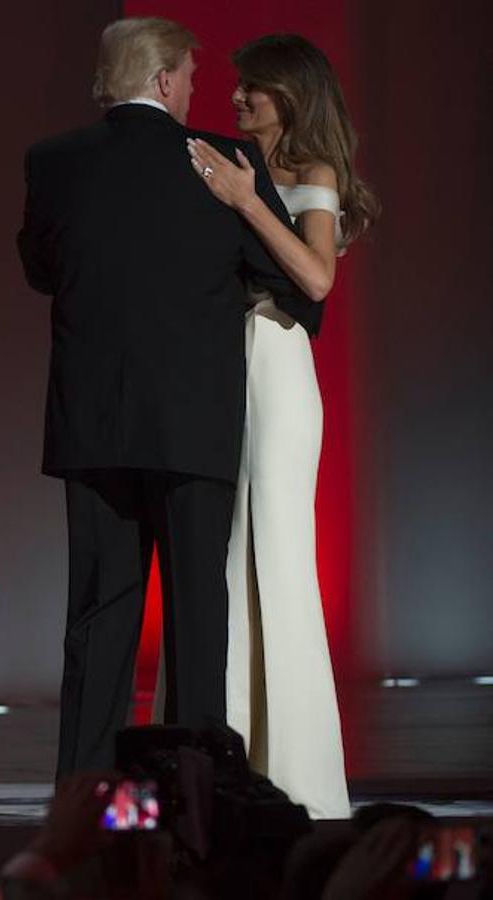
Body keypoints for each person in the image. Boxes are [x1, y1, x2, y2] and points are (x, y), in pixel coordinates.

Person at [16, 17, 309, 778]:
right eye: (187, 77)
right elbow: (288, 283)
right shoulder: (222, 162)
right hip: (191, 424)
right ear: (160, 80)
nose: (192, 92)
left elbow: (40, 268)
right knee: (195, 617)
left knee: (99, 616)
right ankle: (194, 792)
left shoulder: (52, 162)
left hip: (94, 426)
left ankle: (80, 798)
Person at [183, 34, 378, 820]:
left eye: (252, 90)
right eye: (236, 88)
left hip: (276, 368)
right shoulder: (228, 167)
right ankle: (222, 759)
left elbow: (316, 277)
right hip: (217, 369)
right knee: (222, 559)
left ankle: (294, 775)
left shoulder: (308, 176)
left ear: (289, 97)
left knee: (276, 559)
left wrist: (244, 203)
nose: (236, 99)